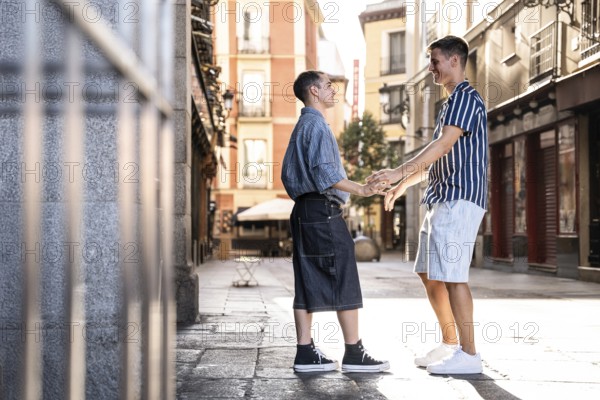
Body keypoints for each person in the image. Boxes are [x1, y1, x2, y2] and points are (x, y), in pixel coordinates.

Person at [367, 35, 488, 374]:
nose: (431, 68)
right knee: (427, 271)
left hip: (460, 199)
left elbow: (443, 145)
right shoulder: (449, 106)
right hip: (441, 199)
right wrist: (402, 185)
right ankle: (451, 344)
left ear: (454, 60)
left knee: (453, 277)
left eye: (434, 61)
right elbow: (435, 160)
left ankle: (470, 355)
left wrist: (396, 171)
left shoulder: (466, 98)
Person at [282, 70, 390, 373]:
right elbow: (327, 175)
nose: (334, 90)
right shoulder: (316, 126)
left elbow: (288, 177)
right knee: (345, 276)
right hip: (322, 213)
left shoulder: (302, 126)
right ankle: (354, 353)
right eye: (329, 86)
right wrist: (364, 189)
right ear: (314, 91)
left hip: (303, 211)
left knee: (305, 280)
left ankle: (305, 353)